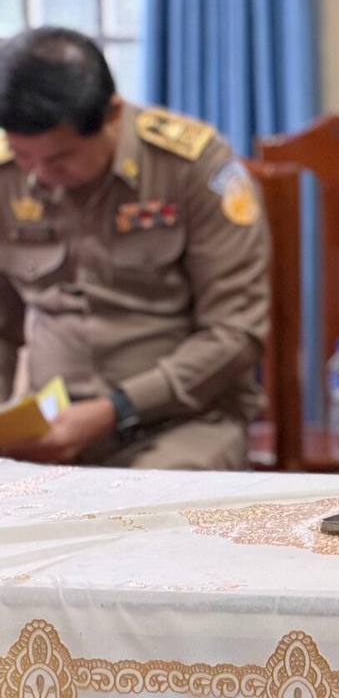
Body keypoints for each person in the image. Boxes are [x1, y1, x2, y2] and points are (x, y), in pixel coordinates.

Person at [0, 26, 268, 468]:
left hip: (180, 423)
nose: (38, 175)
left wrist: (115, 409)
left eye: (59, 158)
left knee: (148, 504)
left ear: (112, 114)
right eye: (23, 155)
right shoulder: (8, 175)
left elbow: (234, 334)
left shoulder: (192, 168)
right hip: (51, 425)